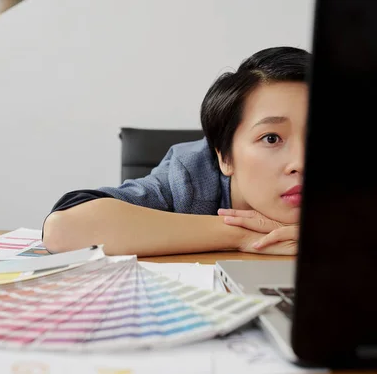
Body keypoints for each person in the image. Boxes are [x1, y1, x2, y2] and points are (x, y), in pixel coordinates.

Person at [43, 46, 311, 257]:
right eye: (271, 138)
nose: (300, 162)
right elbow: (64, 229)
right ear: (224, 156)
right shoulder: (190, 175)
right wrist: (243, 235)